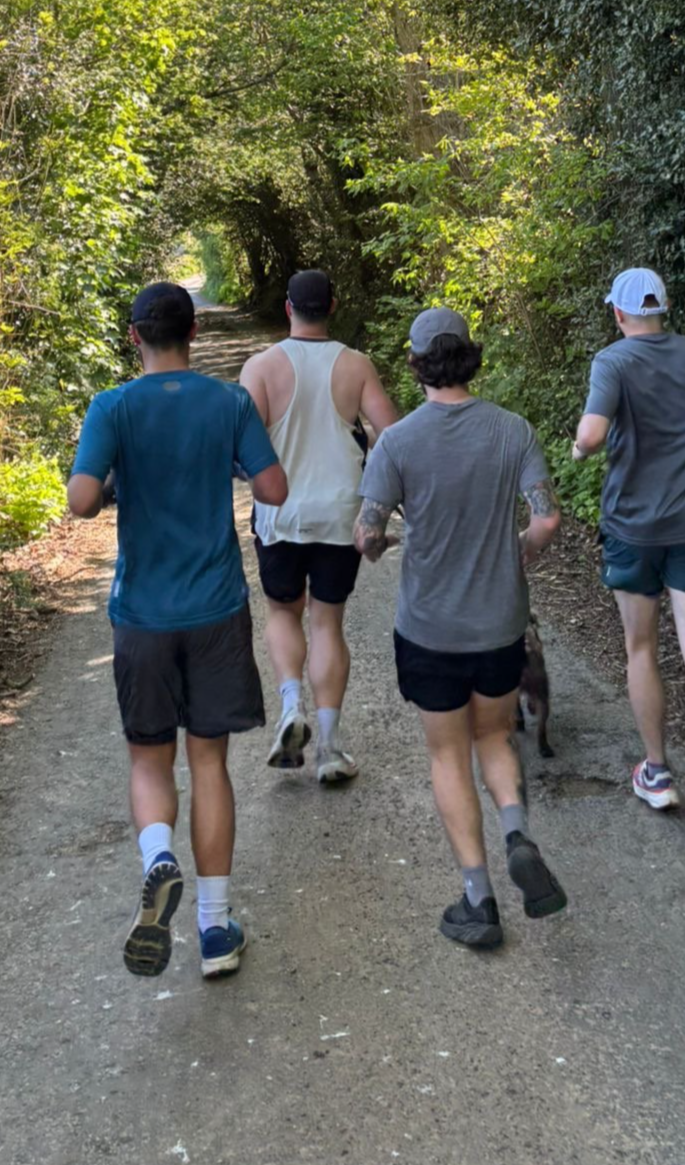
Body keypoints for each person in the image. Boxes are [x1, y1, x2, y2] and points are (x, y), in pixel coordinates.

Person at [68, 282, 287, 980]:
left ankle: (158, 856)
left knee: (148, 759)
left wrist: (110, 485)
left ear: (134, 336)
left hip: (141, 617)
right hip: (216, 608)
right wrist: (228, 459)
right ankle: (215, 930)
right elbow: (275, 488)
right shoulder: (228, 402)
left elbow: (78, 500)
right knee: (210, 763)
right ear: (193, 331)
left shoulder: (112, 407)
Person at [354, 307, 566, 948]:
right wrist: (524, 548)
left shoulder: (397, 442)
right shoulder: (513, 430)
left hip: (430, 627)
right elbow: (548, 518)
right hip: (499, 622)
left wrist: (384, 542)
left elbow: (365, 534)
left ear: (416, 363)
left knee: (448, 752)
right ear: (471, 355)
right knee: (495, 736)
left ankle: (479, 899)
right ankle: (516, 833)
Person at [573, 267, 685, 864]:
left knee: (642, 649)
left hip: (633, 530)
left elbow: (594, 436)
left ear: (619, 315)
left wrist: (578, 447)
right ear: (664, 308)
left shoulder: (614, 362)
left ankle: (657, 772)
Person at [239, 269, 397, 782]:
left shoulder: (260, 368)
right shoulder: (356, 365)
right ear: (332, 305)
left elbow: (243, 449)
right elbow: (391, 436)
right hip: (340, 514)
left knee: (283, 612)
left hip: (279, 514)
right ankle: (329, 746)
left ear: (287, 308)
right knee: (328, 621)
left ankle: (290, 708)